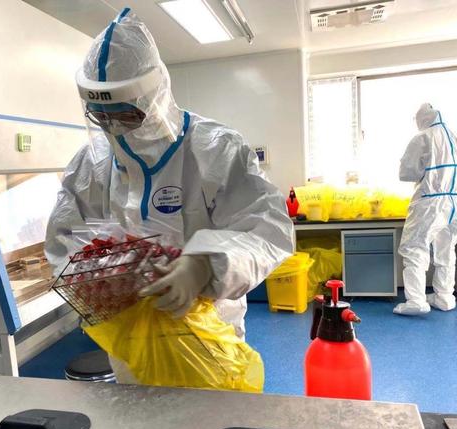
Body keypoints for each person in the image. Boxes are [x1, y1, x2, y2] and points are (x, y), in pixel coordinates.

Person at [45, 9, 294, 379]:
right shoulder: (90, 163)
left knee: (208, 412)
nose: (114, 127)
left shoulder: (215, 149)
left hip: (208, 336)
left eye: (125, 114)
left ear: (154, 98)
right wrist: (97, 278)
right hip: (130, 341)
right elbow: (64, 238)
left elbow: (268, 231)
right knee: (138, 411)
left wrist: (204, 265)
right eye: (101, 115)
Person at [394, 103, 457, 315]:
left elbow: (407, 174)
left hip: (431, 201)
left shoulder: (423, 137)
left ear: (422, 118)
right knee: (446, 250)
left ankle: (416, 302)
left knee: (414, 248)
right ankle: (444, 297)